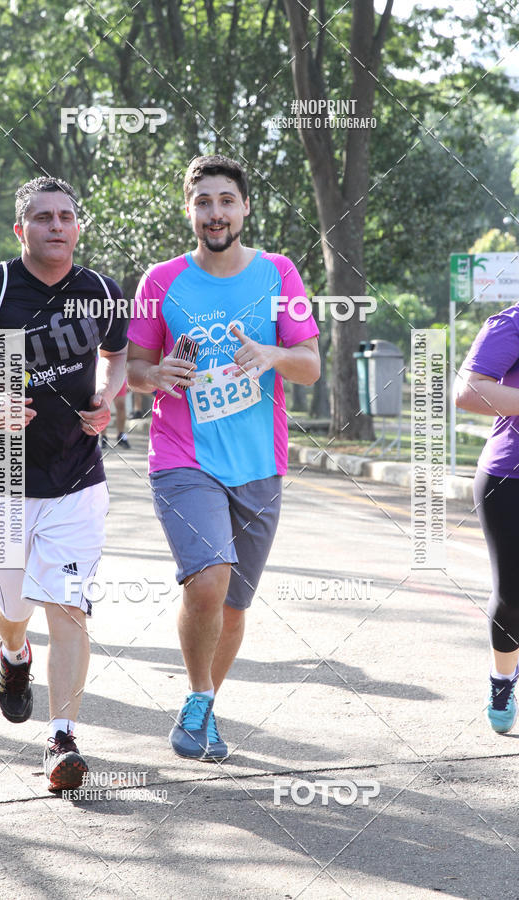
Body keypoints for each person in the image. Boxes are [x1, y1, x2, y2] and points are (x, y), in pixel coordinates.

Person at [0, 176, 127, 789]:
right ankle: (14, 655)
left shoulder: (101, 292)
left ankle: (62, 740)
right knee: (14, 610)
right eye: (43, 217)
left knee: (67, 606)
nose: (57, 226)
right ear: (21, 229)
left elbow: (117, 356)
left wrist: (106, 395)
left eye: (67, 215)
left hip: (77, 478)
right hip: (4, 479)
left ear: (78, 226)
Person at [127, 154, 321, 761]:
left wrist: (270, 354)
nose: (215, 213)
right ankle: (195, 696)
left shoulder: (280, 274)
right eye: (203, 202)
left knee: (235, 603)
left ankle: (206, 704)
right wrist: (156, 374)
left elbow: (310, 365)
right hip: (183, 457)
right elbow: (132, 368)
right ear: (190, 210)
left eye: (226, 201)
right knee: (208, 580)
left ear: (244, 208)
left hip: (260, 462)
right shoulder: (159, 281)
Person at [456, 306, 519, 734]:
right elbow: (467, 392)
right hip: (509, 477)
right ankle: (502, 679)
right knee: (513, 596)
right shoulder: (511, 322)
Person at [100, 379, 130, 449]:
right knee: (102, 405)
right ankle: (103, 437)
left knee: (121, 405)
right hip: (103, 376)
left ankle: (121, 435)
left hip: (119, 378)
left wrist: (129, 380)